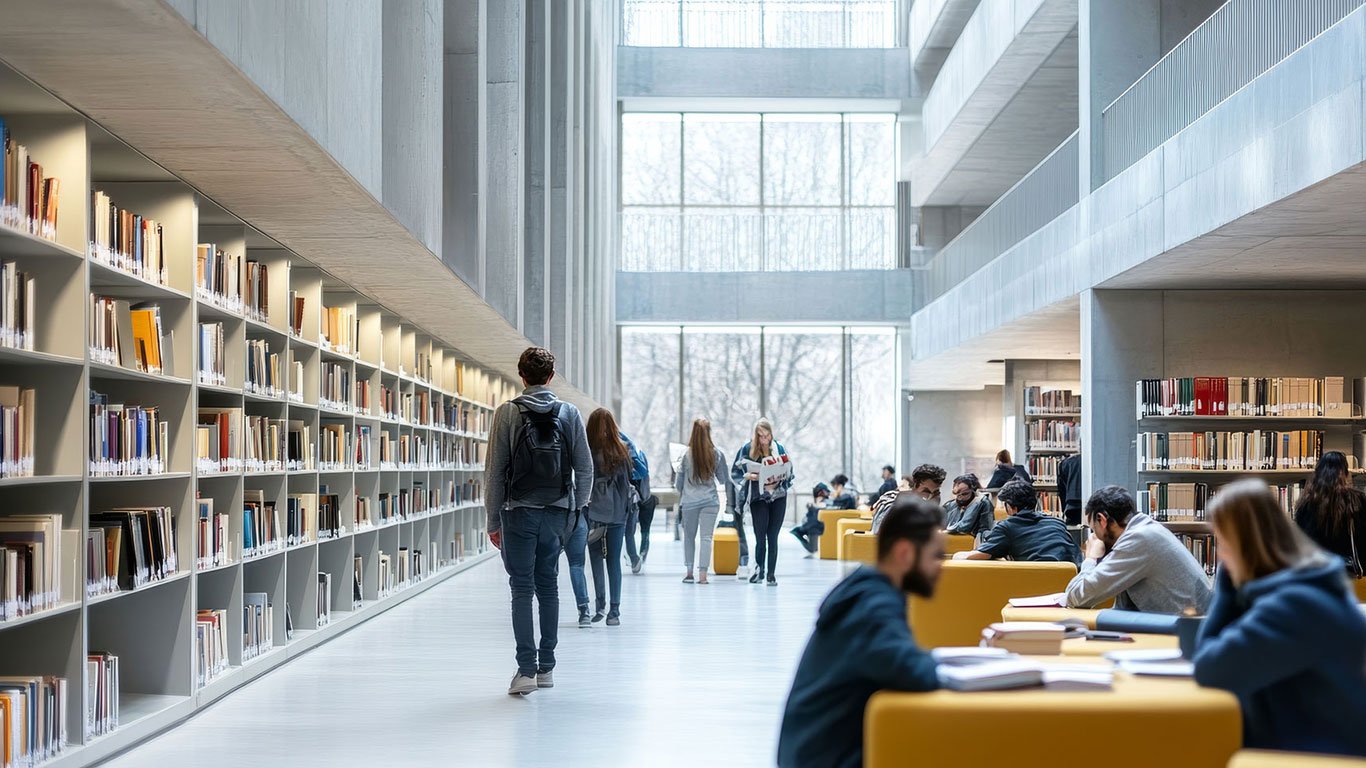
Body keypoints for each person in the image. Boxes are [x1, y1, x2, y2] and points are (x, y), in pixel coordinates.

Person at [1193, 479, 1366, 757]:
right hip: (1318, 741)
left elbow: (1209, 668)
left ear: (1243, 546)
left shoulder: (1293, 607)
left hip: (1322, 754)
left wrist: (1226, 583)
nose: (1221, 555)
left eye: (1223, 544)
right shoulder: (1308, 589)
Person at [777, 495, 945, 768]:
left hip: (814, 751)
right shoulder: (873, 607)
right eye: (936, 556)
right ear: (905, 553)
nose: (941, 566)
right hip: (825, 759)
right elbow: (916, 672)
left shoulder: (868, 591)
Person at [484, 346, 592, 696]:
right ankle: (547, 668)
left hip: (518, 512)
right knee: (549, 586)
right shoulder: (569, 413)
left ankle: (526, 670)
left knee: (521, 589)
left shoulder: (507, 412)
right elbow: (585, 467)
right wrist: (576, 511)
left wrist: (492, 520)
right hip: (558, 513)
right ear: (551, 376)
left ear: (522, 376)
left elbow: (495, 472)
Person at [1063, 485, 1212, 613]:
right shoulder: (1146, 529)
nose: (1094, 536)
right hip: (1188, 623)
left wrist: (1091, 558)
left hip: (1186, 630)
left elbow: (1076, 597)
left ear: (1102, 520)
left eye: (1093, 529)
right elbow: (1123, 607)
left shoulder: (1138, 540)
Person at [954, 479, 1081, 565]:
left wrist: (957, 555)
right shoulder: (1057, 522)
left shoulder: (1007, 527)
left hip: (1035, 580)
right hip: (1069, 579)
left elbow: (981, 555)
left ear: (1010, 507)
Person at [585, 409, 634, 626]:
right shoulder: (622, 450)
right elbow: (627, 483)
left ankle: (600, 606)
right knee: (614, 561)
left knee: (596, 558)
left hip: (594, 513)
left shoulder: (587, 451)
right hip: (617, 513)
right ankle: (615, 611)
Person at [731, 418, 793, 586]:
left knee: (773, 536)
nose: (764, 440)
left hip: (778, 497)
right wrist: (748, 476)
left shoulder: (779, 448)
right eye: (761, 436)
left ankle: (771, 575)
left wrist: (781, 476)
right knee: (760, 536)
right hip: (758, 497)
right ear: (756, 436)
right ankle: (759, 571)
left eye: (767, 436)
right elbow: (735, 472)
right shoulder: (747, 449)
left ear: (771, 434)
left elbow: (789, 472)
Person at [675, 417, 731, 584]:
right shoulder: (717, 454)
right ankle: (703, 576)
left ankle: (689, 573)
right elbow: (723, 479)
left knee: (689, 537)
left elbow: (678, 485)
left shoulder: (685, 455)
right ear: (709, 433)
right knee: (706, 538)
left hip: (689, 502)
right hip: (710, 501)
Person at [1293, 450, 1366, 577]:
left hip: (1316, 575)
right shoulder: (1357, 500)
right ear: (1345, 473)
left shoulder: (1306, 504)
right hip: (1350, 575)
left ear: (1317, 473)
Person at [791, 475, 858, 554]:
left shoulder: (845, 496)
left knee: (813, 547)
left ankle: (802, 530)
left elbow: (835, 505)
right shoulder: (847, 495)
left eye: (835, 488)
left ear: (839, 486)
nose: (834, 491)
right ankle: (802, 530)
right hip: (829, 522)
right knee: (813, 546)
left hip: (834, 521)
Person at [870, 464, 945, 533]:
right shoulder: (892, 501)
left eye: (936, 493)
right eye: (926, 491)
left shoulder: (936, 513)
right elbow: (882, 531)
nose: (930, 497)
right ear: (914, 487)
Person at [619, 430, 653, 573]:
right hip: (633, 497)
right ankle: (635, 558)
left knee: (624, 530)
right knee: (630, 531)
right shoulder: (635, 451)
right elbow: (644, 474)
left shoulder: (613, 451)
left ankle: (633, 558)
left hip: (619, 498)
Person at [943, 473, 995, 543]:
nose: (959, 498)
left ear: (974, 492)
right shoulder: (950, 505)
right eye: (956, 494)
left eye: (964, 494)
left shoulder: (983, 503)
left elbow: (985, 530)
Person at [1056, 452, 1083, 525]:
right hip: (1091, 505)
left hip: (1072, 506)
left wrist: (1064, 509)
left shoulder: (1066, 463)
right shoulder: (1093, 461)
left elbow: (1062, 491)